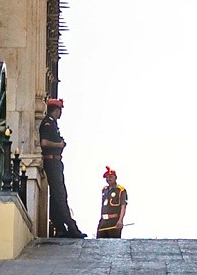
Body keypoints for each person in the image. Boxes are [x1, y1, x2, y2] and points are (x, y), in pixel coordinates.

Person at [39, 98, 85, 238]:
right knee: (60, 195)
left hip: (55, 162)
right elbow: (44, 142)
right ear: (56, 110)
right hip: (52, 162)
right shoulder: (48, 123)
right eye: (60, 110)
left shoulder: (52, 123)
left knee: (56, 196)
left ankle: (60, 227)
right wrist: (59, 145)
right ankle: (71, 227)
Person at [96, 167, 129, 238]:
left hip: (114, 221)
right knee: (99, 242)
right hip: (103, 221)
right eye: (107, 177)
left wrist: (120, 220)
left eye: (110, 177)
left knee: (113, 245)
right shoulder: (104, 190)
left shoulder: (120, 190)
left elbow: (123, 206)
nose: (108, 179)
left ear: (115, 177)